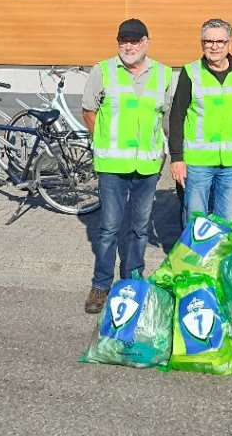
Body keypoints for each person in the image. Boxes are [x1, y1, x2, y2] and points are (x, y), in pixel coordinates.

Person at [81, 18, 173, 314]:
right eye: (123, 41)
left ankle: (133, 278)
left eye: (135, 40)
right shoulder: (102, 70)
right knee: (108, 228)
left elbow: (168, 118)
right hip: (112, 166)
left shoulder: (164, 74)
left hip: (147, 166)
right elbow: (89, 112)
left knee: (139, 228)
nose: (129, 46)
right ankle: (101, 285)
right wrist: (104, 144)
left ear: (146, 42)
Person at [169, 19, 232, 225]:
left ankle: (220, 258)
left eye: (220, 42)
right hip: (198, 163)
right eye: (208, 41)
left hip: (230, 163)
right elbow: (176, 117)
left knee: (226, 221)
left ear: (229, 44)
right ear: (202, 44)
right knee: (196, 221)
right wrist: (176, 158)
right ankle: (194, 257)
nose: (214, 46)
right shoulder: (191, 73)